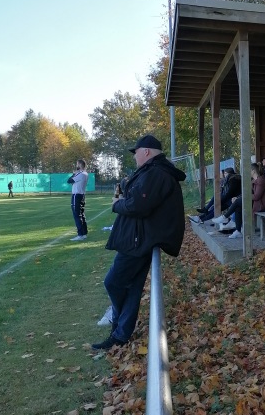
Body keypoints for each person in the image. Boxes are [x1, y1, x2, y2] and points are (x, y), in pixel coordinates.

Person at [92, 134, 186, 351]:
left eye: (136, 152)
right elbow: (139, 199)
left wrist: (117, 204)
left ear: (146, 151)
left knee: (113, 282)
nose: (135, 157)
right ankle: (120, 334)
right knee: (132, 288)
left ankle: (118, 323)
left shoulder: (156, 172)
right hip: (142, 239)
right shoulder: (155, 171)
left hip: (139, 241)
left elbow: (138, 206)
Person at [226, 163, 265, 239]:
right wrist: (238, 197)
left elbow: (256, 196)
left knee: (238, 202)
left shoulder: (261, 181)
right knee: (238, 206)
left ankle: (225, 216)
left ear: (253, 171)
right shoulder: (254, 181)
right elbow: (247, 193)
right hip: (256, 203)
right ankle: (238, 231)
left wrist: (243, 197)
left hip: (262, 205)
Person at [67, 159, 89, 241]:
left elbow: (69, 181)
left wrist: (73, 174)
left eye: (77, 164)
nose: (76, 165)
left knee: (77, 215)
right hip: (82, 195)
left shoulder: (81, 174)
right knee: (81, 214)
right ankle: (84, 233)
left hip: (77, 195)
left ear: (80, 165)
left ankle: (80, 234)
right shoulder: (85, 174)